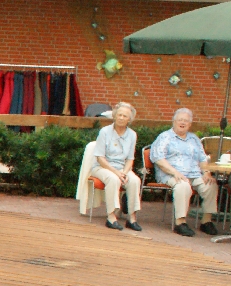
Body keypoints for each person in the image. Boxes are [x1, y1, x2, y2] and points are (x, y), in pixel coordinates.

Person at [150, 107, 218, 237]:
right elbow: (158, 158)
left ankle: (206, 221)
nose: (182, 122)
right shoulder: (165, 137)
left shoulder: (194, 139)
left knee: (211, 185)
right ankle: (180, 222)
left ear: (190, 124)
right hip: (171, 174)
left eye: (186, 121)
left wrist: (206, 172)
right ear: (174, 121)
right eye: (180, 120)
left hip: (194, 174)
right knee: (183, 185)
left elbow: (202, 158)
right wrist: (175, 172)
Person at [91, 101, 142, 231]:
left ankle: (132, 218)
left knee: (135, 180)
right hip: (102, 167)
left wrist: (124, 172)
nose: (121, 118)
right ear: (114, 115)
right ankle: (111, 217)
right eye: (119, 115)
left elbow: (130, 159)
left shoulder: (132, 135)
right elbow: (100, 158)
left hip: (122, 168)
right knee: (113, 179)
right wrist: (116, 172)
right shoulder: (105, 132)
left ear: (129, 119)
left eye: (125, 116)